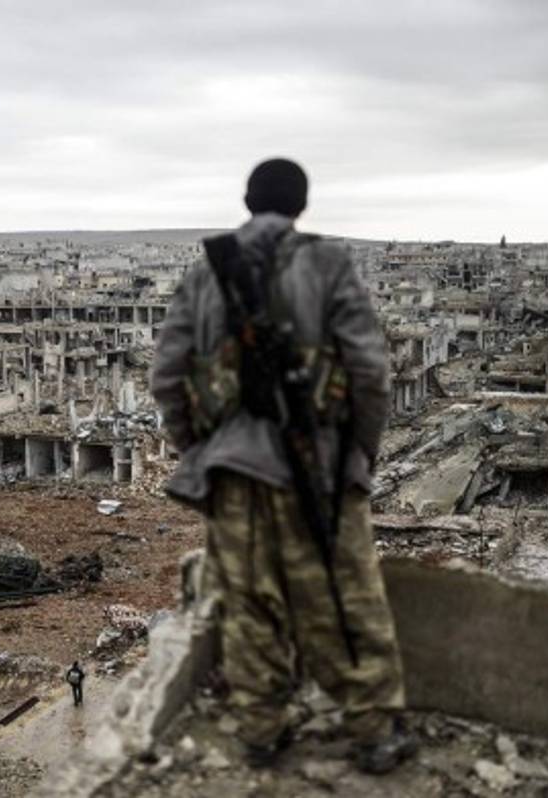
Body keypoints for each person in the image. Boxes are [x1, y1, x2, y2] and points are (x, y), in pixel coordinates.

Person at [150, 158, 417, 774]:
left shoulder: (204, 273)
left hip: (233, 473)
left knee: (249, 601)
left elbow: (167, 377)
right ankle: (374, 730)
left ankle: (262, 729)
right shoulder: (328, 265)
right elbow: (370, 373)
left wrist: (200, 450)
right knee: (343, 596)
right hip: (316, 468)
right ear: (302, 206)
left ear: (247, 201)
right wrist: (358, 455)